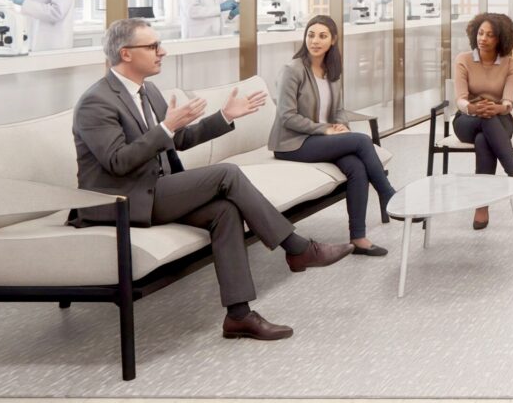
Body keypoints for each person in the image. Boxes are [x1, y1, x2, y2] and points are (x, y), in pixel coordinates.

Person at [72, 18, 351, 340]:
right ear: (126, 54)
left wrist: (226, 116)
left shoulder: (147, 92)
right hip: (119, 200)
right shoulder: (97, 101)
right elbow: (118, 162)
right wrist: (165, 128)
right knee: (226, 173)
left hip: (153, 189)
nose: (162, 51)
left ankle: (238, 315)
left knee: (224, 212)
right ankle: (297, 247)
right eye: (152, 46)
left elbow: (180, 140)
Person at [270, 15, 395, 255]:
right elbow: (287, 116)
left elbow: (338, 110)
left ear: (333, 40)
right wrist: (325, 129)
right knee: (361, 140)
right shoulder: (292, 70)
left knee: (356, 168)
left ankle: (358, 239)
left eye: (322, 36)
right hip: (293, 143)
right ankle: (388, 194)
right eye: (311, 35)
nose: (315, 41)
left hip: (322, 139)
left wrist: (341, 127)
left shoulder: (332, 71)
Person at [452, 12, 513, 229]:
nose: (483, 39)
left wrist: (496, 107)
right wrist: (472, 107)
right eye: (480, 33)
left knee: (483, 139)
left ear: (500, 39)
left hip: (500, 120)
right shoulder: (463, 60)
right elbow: (460, 99)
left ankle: (482, 206)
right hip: (467, 120)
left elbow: (508, 102)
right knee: (483, 123)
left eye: (490, 35)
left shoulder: (509, 64)